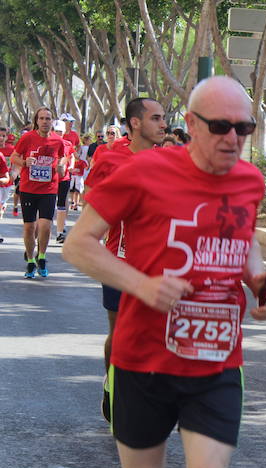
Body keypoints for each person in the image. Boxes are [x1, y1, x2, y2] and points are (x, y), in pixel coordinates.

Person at [64, 76, 266, 468]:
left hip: (217, 360)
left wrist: (260, 282)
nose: (234, 138)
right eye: (222, 127)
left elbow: (244, 237)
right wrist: (141, 284)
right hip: (144, 358)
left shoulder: (249, 180)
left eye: (244, 128)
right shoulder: (143, 172)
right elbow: (78, 244)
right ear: (192, 126)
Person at [81, 97, 168, 423]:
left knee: (156, 335)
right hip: (118, 260)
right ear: (135, 123)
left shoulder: (169, 161)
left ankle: (143, 397)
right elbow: (92, 203)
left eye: (163, 118)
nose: (163, 125)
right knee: (119, 336)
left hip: (159, 263)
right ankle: (113, 387)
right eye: (156, 118)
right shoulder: (110, 158)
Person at [10, 107, 67, 278]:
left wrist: (61, 165)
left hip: (49, 189)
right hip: (28, 188)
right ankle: (29, 260)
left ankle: (41, 257)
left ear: (52, 121)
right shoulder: (28, 138)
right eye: (41, 118)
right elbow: (14, 157)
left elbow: (64, 156)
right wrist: (25, 162)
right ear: (36, 120)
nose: (45, 121)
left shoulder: (57, 141)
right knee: (29, 227)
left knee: (45, 225)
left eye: (48, 118)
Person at [52, 120, 77, 243]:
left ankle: (60, 232)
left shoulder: (67, 144)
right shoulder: (48, 143)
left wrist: (71, 166)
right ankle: (42, 228)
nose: (58, 133)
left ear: (63, 133)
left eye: (60, 132)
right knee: (49, 204)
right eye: (56, 131)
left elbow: (71, 156)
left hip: (64, 178)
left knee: (61, 204)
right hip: (49, 179)